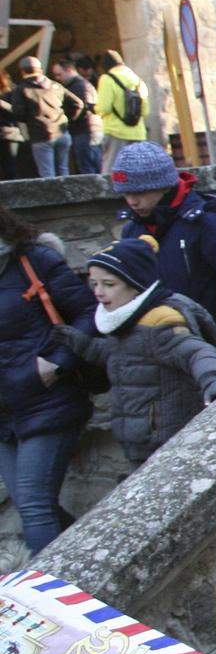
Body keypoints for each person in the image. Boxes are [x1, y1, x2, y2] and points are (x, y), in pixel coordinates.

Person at [54, 235, 216, 467]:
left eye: (108, 284)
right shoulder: (125, 318)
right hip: (138, 441)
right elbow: (121, 356)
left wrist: (213, 381)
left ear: (136, 285)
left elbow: (197, 353)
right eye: (94, 284)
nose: (98, 292)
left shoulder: (159, 323)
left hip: (168, 441)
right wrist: (82, 344)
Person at [0, 200, 95, 551]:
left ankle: (48, 603)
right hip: (4, 414)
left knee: (34, 507)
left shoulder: (33, 260)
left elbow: (88, 313)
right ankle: (88, 562)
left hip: (47, 401)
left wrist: (56, 363)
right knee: (34, 505)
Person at [111, 141, 216, 354]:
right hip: (150, 350)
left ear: (163, 185)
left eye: (140, 192)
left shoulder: (204, 224)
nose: (132, 201)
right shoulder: (131, 231)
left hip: (199, 348)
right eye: (126, 194)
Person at [0, 57, 81, 177]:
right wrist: (66, 121)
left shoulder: (22, 89)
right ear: (41, 70)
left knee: (47, 173)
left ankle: (53, 196)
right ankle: (65, 194)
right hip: (62, 132)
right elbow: (78, 103)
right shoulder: (55, 85)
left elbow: (18, 114)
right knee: (63, 170)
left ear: (22, 71)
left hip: (41, 135)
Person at [94, 51, 147, 168]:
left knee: (113, 171)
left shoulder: (107, 79)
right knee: (138, 171)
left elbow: (104, 107)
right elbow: (145, 110)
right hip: (138, 133)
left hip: (115, 132)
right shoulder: (137, 79)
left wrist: (95, 108)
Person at [51, 56, 102, 175]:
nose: (57, 78)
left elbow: (81, 107)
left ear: (69, 70)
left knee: (88, 169)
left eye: (59, 74)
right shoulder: (81, 84)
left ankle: (95, 193)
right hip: (89, 129)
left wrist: (66, 120)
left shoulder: (78, 86)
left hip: (85, 130)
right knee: (92, 166)